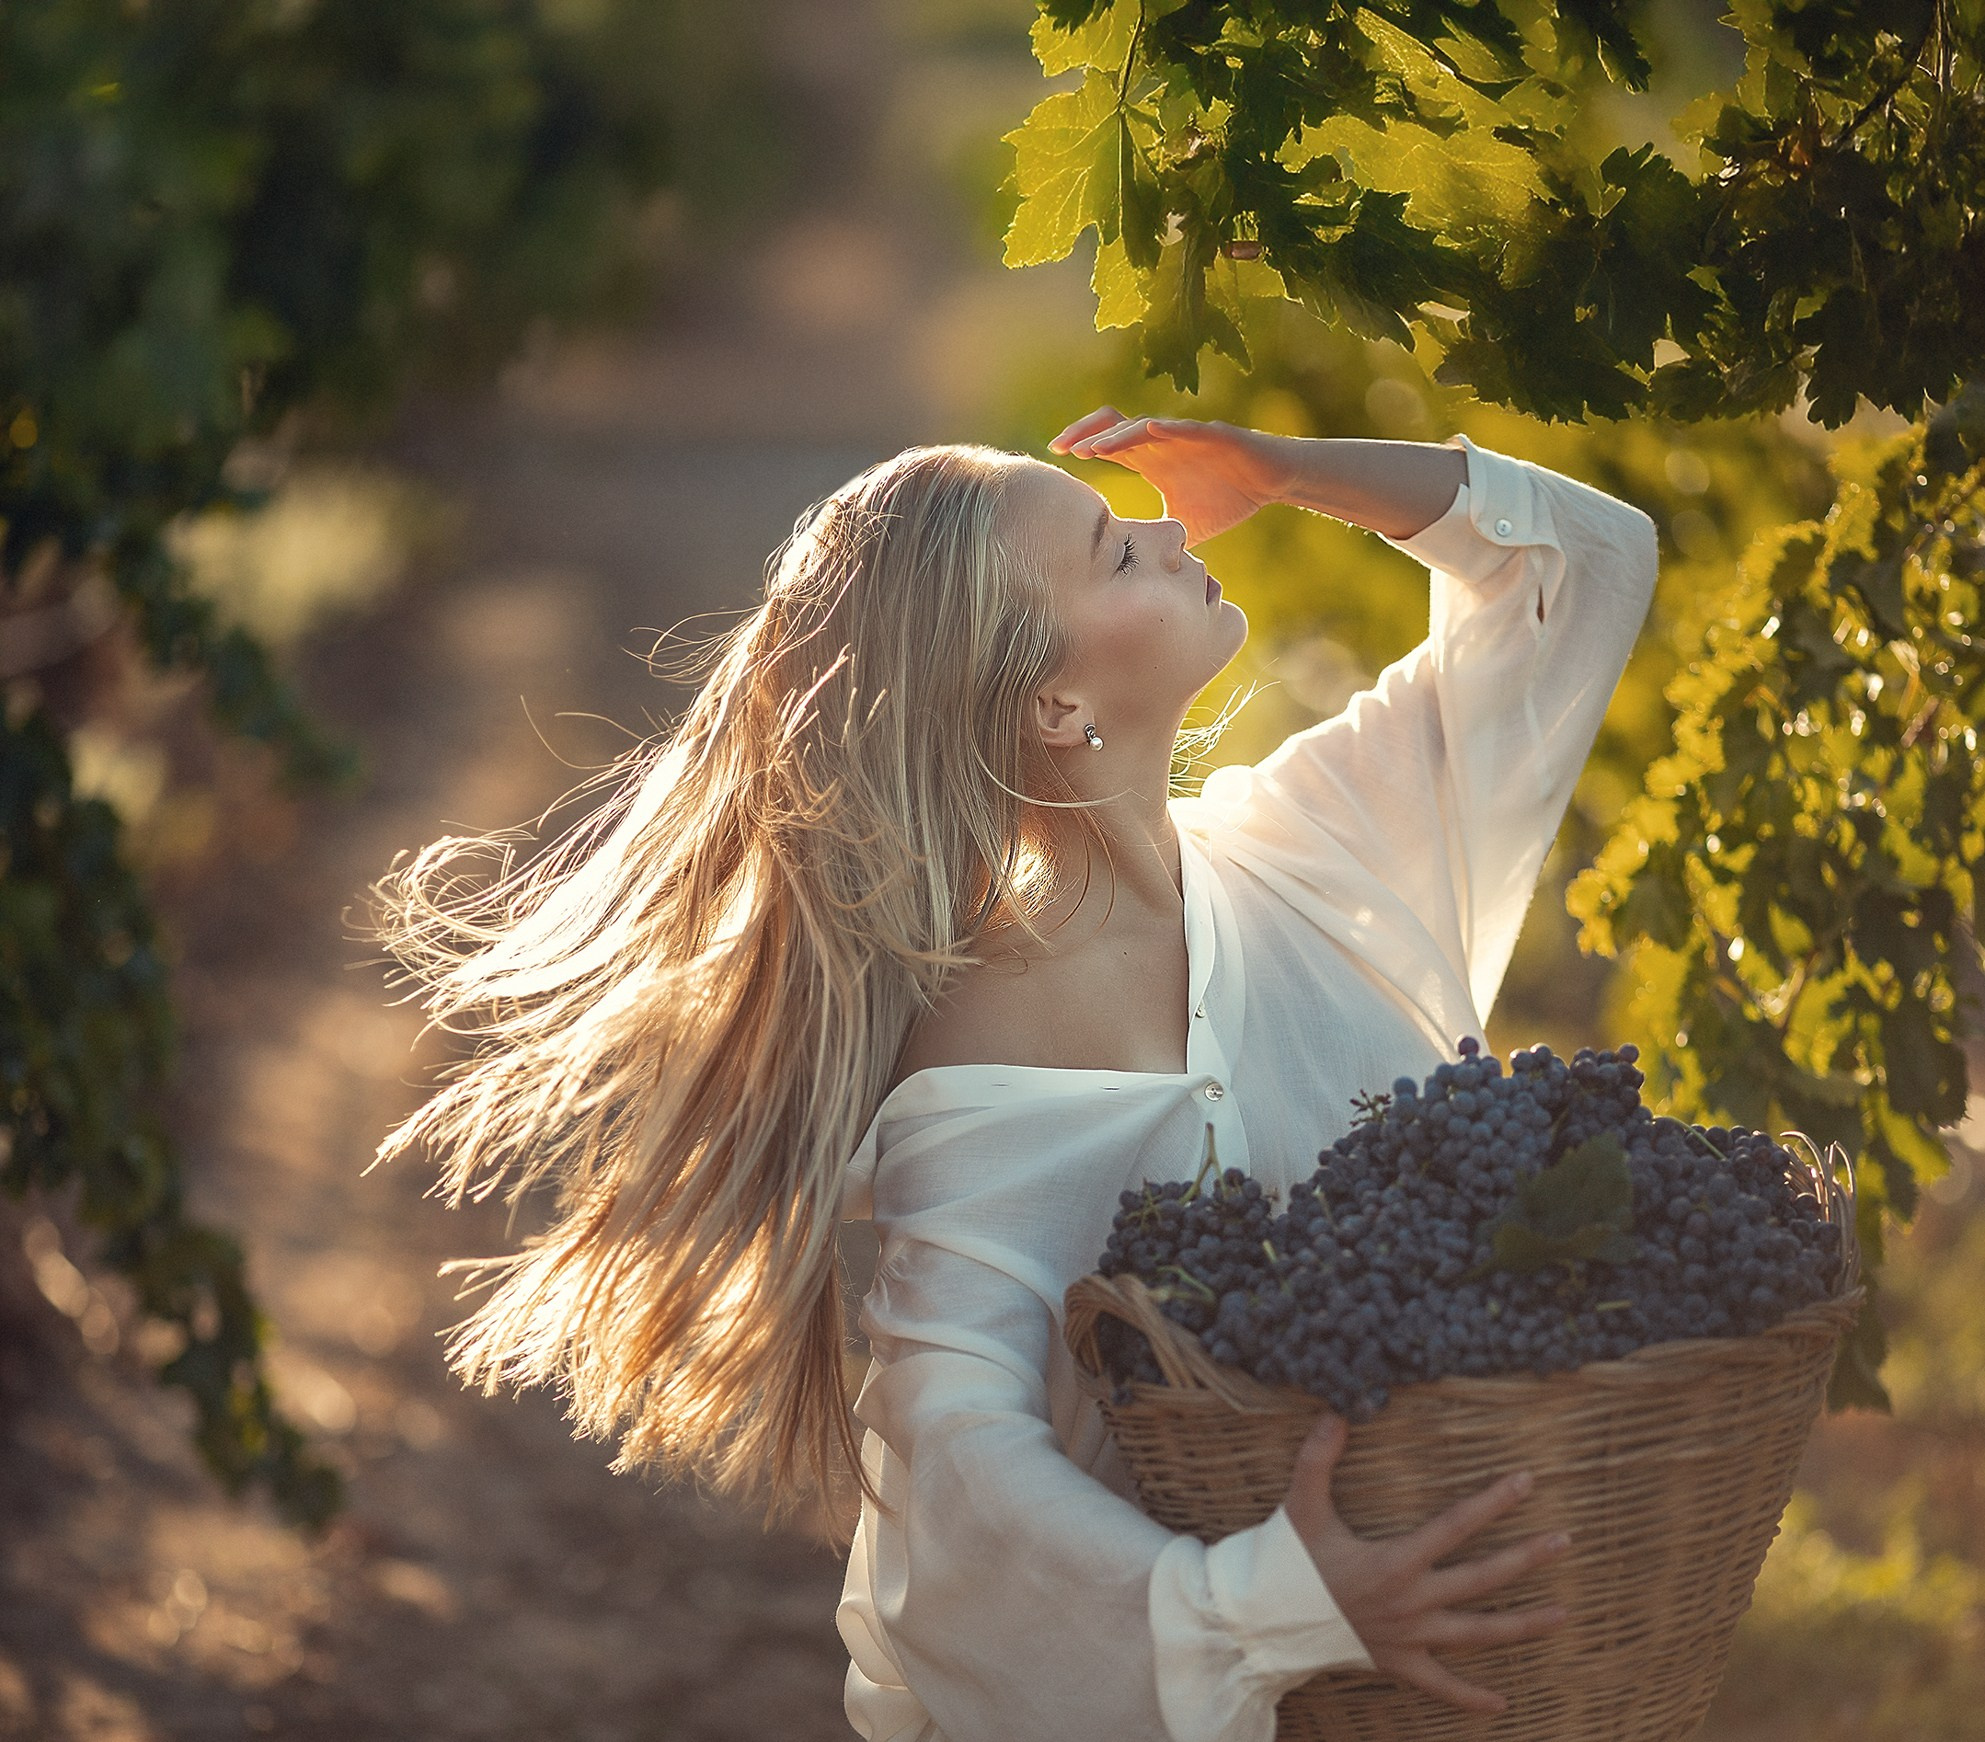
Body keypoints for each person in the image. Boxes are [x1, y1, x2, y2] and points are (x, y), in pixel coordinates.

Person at [367, 405, 1660, 1742]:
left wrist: (1290, 468)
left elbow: (1581, 565)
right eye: (1112, 554)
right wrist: (1268, 1604)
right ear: (1054, 702)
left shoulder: (1313, 850)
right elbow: (959, 1479)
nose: (1166, 529)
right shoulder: (985, 1061)